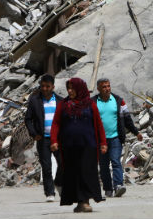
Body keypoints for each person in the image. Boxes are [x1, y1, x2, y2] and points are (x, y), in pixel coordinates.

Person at [50, 78, 107, 213]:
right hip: (69, 147)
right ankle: (80, 202)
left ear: (79, 88)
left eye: (72, 88)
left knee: (86, 173)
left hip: (88, 146)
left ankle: (85, 201)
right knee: (73, 174)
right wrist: (53, 140)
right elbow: (56, 123)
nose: (70, 91)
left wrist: (103, 143)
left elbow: (99, 124)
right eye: (68, 88)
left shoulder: (90, 105)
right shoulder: (63, 105)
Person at [92, 78, 142, 198]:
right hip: (100, 140)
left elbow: (127, 119)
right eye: (104, 87)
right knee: (103, 165)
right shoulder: (93, 102)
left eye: (108, 86)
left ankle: (118, 185)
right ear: (98, 88)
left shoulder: (118, 101)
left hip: (115, 137)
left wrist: (136, 133)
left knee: (115, 161)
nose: (107, 89)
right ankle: (108, 188)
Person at [24, 74, 62, 202]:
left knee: (63, 163)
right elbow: (28, 119)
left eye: (47, 86)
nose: (45, 88)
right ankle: (49, 193)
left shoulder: (60, 101)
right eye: (43, 86)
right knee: (46, 167)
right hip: (43, 139)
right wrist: (34, 134)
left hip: (58, 139)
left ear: (53, 87)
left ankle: (59, 182)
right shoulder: (35, 100)